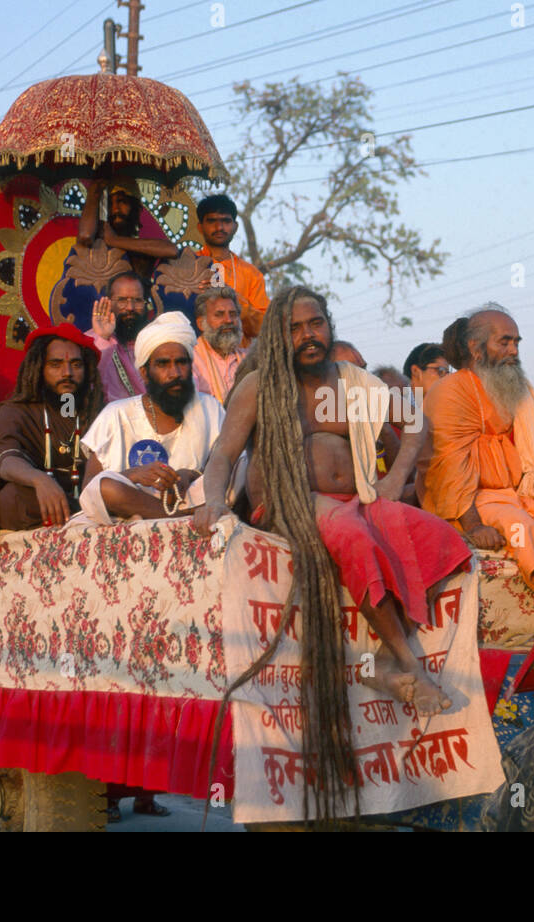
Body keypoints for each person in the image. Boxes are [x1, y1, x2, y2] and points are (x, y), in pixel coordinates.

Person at [193, 286, 473, 818]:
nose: (308, 336)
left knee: (443, 540)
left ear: (329, 324)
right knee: (353, 537)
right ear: (279, 335)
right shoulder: (258, 386)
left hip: (361, 497)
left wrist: (394, 478)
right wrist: (212, 503)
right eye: (296, 328)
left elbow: (415, 424)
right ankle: (407, 660)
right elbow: (223, 455)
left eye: (316, 324)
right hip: (292, 506)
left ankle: (386, 662)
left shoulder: (352, 384)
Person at [419, 306, 534, 598]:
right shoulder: (450, 390)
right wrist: (474, 525)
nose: (513, 351)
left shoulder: (514, 389)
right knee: (521, 526)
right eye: (504, 342)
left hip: (517, 495)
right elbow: (446, 468)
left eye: (517, 342)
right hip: (469, 501)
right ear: (475, 348)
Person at [78, 311, 225, 525]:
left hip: (192, 501)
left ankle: (177, 516)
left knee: (240, 470)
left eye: (181, 363)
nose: (174, 373)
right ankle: (177, 520)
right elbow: (89, 488)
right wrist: (134, 474)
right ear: (145, 372)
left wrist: (190, 474)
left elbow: (227, 463)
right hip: (136, 506)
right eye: (163, 364)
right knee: (105, 488)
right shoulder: (116, 414)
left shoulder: (210, 407)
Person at [0, 325, 103, 547]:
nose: (67, 373)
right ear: (38, 368)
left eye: (76, 364)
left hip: (89, 499)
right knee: (10, 499)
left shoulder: (97, 412)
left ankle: (83, 511)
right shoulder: (15, 411)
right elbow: (6, 461)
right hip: (38, 497)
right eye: (56, 364)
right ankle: (79, 512)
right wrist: (40, 480)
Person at [53, 176, 208, 335]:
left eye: (122, 202)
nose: (116, 209)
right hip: (97, 331)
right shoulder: (92, 249)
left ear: (135, 207)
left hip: (138, 330)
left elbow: (172, 250)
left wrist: (114, 240)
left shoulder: (143, 250)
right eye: (110, 204)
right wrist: (96, 189)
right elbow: (85, 236)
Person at [195, 194, 269, 341]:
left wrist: (230, 295)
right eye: (212, 221)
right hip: (196, 359)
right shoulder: (189, 265)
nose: (219, 227)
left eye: (226, 221)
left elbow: (264, 326)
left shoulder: (251, 274)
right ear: (200, 227)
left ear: (235, 227)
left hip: (240, 360)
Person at [96, 272, 156, 403]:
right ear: (108, 303)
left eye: (138, 300)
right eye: (122, 300)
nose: (130, 308)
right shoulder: (92, 340)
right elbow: (87, 385)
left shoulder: (156, 341)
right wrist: (103, 338)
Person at [191, 286, 246, 405]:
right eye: (219, 314)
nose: (228, 320)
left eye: (233, 314)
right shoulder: (191, 359)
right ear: (201, 323)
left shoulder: (249, 359)